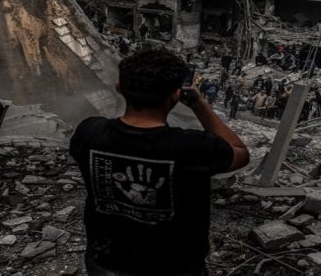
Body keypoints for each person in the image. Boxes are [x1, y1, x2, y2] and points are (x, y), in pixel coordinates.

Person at [70, 48, 249, 276]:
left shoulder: (89, 133)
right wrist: (198, 104)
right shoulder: (193, 147)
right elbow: (240, 152)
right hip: (175, 267)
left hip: (105, 262)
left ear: (119, 88)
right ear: (176, 95)